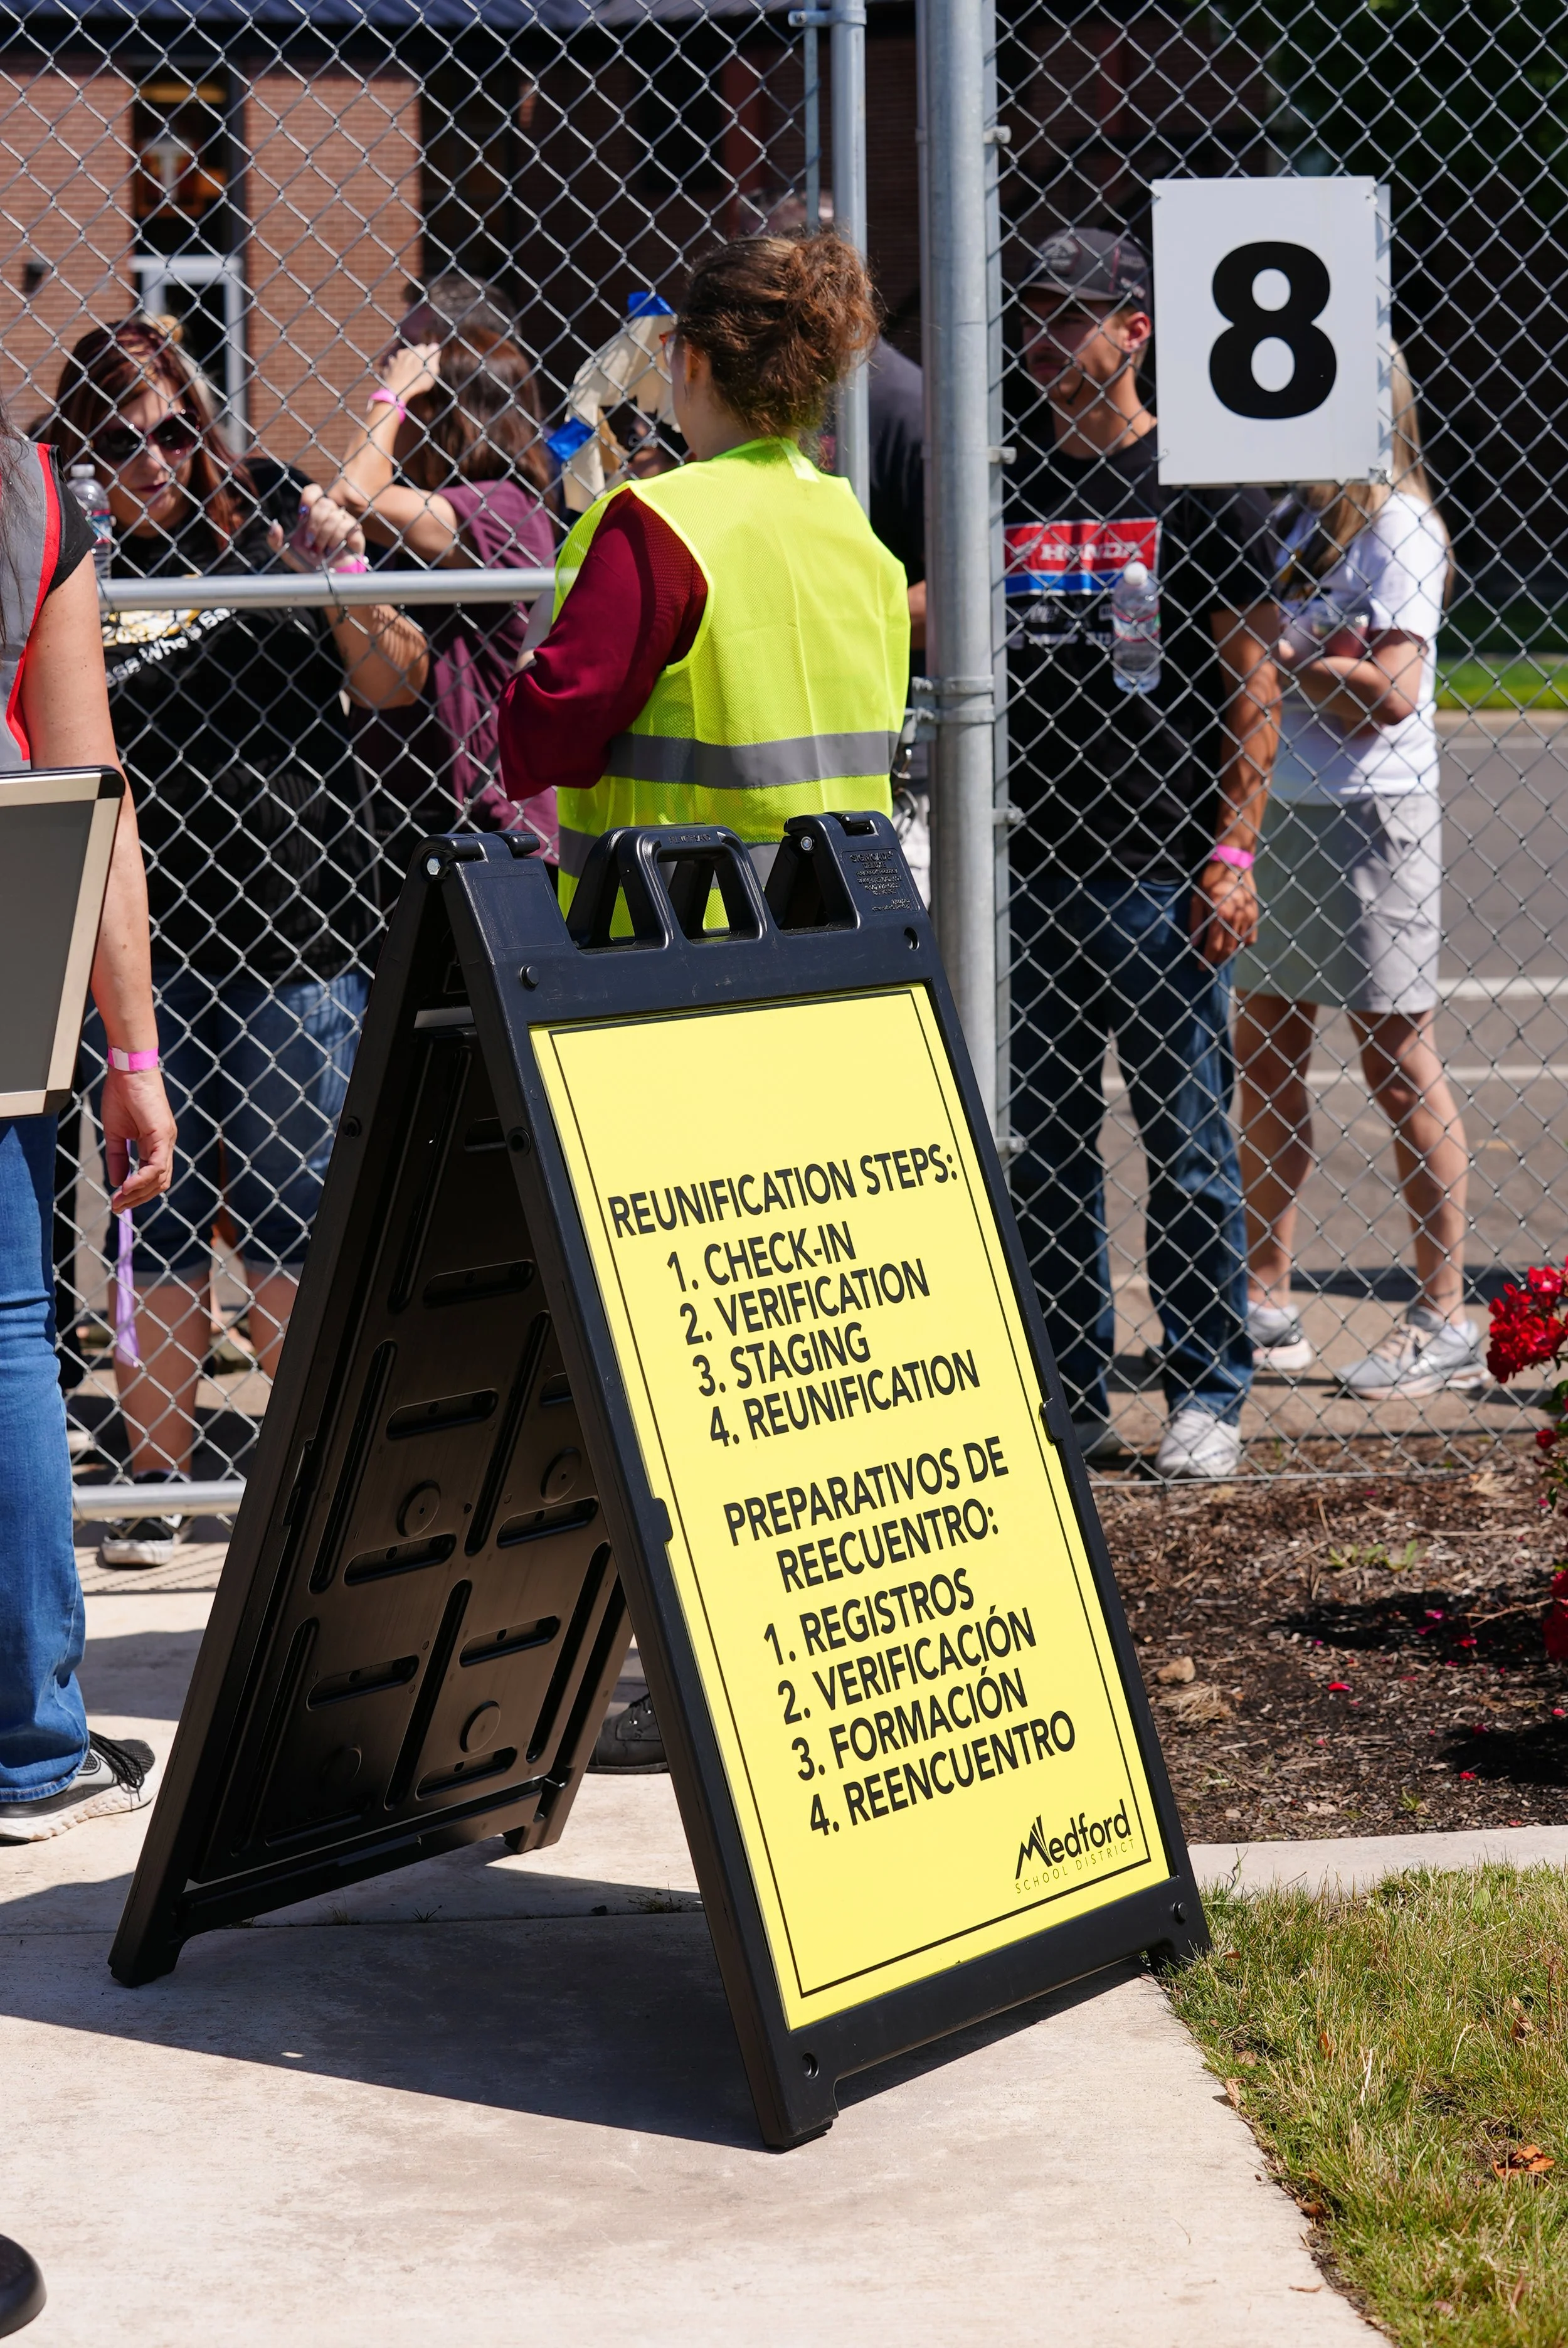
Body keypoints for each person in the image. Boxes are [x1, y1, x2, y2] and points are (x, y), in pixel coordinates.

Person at [48, 316, 378, 1565]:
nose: (153, 460)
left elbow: (393, 676)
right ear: (83, 449)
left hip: (297, 933)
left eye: (174, 430)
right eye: (122, 439)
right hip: (148, 947)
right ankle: (158, 1476)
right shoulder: (69, 561)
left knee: (300, 1209)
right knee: (154, 1215)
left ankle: (316, 1471)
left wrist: (339, 570)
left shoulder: (268, 508)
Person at [1004, 227, 1279, 1480]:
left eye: (1073, 316)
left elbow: (1252, 676)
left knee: (1183, 1145)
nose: (1046, 338)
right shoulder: (996, 477)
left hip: (1157, 876)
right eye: (1033, 315)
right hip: (1023, 872)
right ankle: (1069, 1386)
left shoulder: (1194, 486)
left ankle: (1205, 1387)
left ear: (1135, 330)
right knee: (1043, 1145)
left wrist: (1232, 847)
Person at [496, 230, 908, 905]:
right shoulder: (857, 536)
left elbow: (544, 741)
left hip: (678, 942)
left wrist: (533, 653)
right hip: (845, 928)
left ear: (691, 362)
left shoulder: (655, 524)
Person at [1233, 352, 1478, 1399]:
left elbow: (1390, 691)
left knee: (1394, 1056)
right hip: (1284, 807)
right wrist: (1303, 649)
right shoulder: (1292, 517)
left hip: (1373, 815)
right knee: (1266, 1047)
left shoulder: (1401, 526)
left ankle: (1442, 1317)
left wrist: (1282, 654)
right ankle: (1265, 1296)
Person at [0, 420, 178, 1841]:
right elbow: (87, 779)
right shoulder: (27, 483)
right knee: (4, 1330)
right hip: (1, 918)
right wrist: (133, 1048)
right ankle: (29, 1746)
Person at [317, 287, 559, 890]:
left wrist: (391, 394)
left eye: (414, 357)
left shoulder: (504, 508)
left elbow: (354, 492)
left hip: (499, 834)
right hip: (427, 817)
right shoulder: (431, 517)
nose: (397, 361)